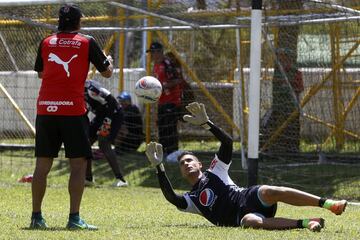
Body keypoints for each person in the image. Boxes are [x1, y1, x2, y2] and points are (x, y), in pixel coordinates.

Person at [145, 102, 347, 231]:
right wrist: (159, 168)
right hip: (243, 216)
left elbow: (227, 143)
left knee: (269, 190)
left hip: (248, 197)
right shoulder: (192, 200)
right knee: (250, 223)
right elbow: (172, 198)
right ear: (180, 171)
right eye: (182, 163)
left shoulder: (215, 170)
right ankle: (306, 223)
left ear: (200, 164)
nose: (186, 164)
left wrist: (208, 124)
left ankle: (329, 204)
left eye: (189, 160)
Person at [31, 4, 113, 230]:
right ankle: (74, 218)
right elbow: (107, 72)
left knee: (42, 165)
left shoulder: (46, 42)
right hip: (72, 110)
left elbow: (40, 73)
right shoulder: (87, 41)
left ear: (59, 21)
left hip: (46, 109)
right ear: (79, 22)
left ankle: (36, 218)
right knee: (78, 164)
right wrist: (109, 62)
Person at [84, 80, 128, 188]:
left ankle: (120, 179)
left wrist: (107, 122)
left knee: (103, 142)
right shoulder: (74, 90)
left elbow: (112, 101)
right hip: (100, 115)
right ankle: (88, 179)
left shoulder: (91, 88)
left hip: (114, 114)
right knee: (84, 144)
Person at [147, 42, 183, 155]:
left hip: (171, 101)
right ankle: (164, 152)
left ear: (160, 52)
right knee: (162, 127)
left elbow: (178, 80)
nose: (152, 55)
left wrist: (162, 86)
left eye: (153, 52)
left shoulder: (168, 64)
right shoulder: (155, 65)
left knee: (170, 128)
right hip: (162, 101)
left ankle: (173, 152)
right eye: (151, 53)